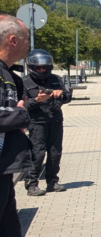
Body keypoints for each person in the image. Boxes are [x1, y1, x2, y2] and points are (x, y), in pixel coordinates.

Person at [0, 15, 33, 237]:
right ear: (12, 40)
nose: (29, 45)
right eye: (26, 39)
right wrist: (20, 112)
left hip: (4, 172)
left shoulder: (9, 74)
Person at [22, 50, 70, 196]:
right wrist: (37, 100)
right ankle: (32, 184)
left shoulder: (55, 79)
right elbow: (23, 105)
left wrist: (61, 94)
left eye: (44, 67)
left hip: (55, 120)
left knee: (55, 152)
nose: (42, 70)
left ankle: (52, 181)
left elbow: (68, 97)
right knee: (38, 152)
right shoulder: (24, 82)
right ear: (32, 67)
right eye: (38, 68)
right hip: (37, 122)